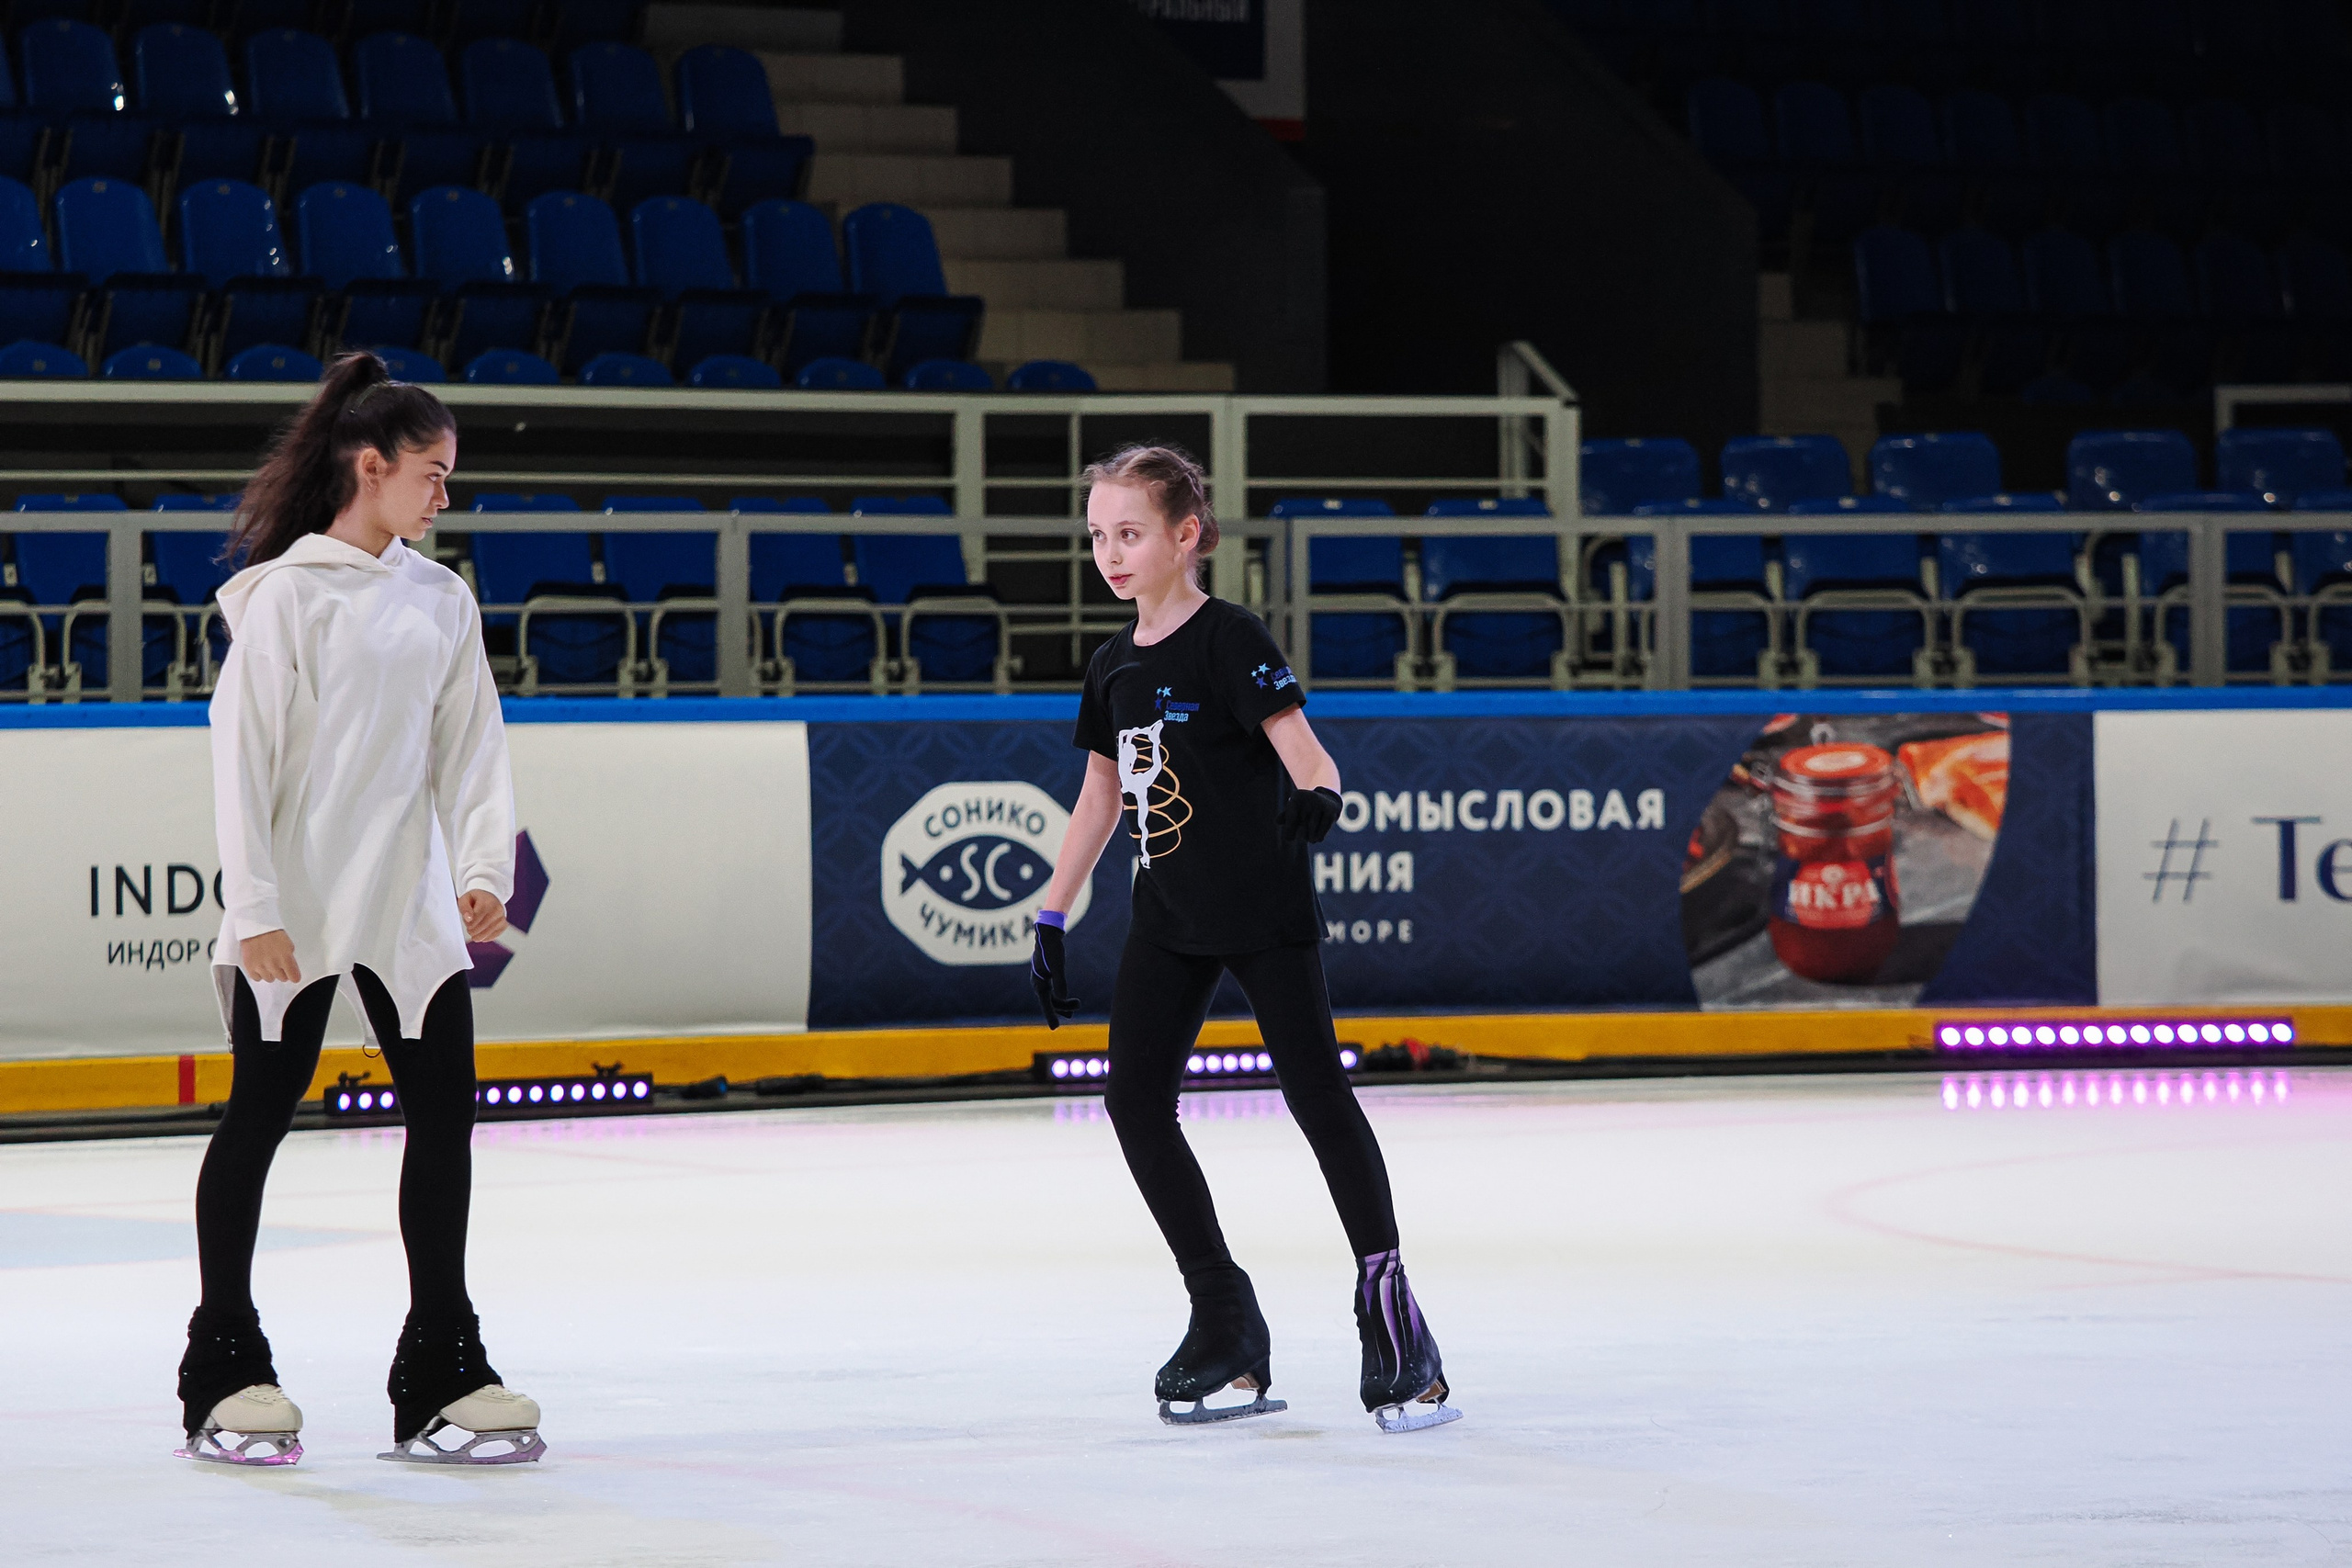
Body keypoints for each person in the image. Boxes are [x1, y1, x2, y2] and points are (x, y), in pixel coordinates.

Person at [1028, 445, 1459, 1434]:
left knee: (1317, 1097)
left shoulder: (1230, 637)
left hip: (1261, 908)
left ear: (1187, 535)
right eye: (1097, 536)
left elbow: (1311, 756)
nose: (1110, 553)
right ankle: (1223, 1315)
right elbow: (1099, 794)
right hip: (1167, 918)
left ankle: (1393, 1318)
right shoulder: (1113, 663)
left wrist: (1320, 800)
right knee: (1133, 1102)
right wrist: (1051, 913)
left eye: (1129, 533)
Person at [175, 352, 544, 1468]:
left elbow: (472, 746)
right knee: (259, 1113)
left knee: (445, 1117)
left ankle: (442, 1363)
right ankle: (222, 1362)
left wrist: (482, 869)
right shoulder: (285, 597)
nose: (444, 497)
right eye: (433, 475)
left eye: (449, 478)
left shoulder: (441, 599)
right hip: (294, 901)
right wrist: (254, 905)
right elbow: (240, 760)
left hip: (408, 904)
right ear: (370, 466)